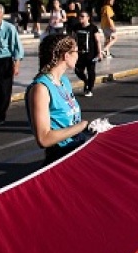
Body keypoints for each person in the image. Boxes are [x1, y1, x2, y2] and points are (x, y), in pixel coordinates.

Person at [26, 35, 92, 164]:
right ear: (66, 56)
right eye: (77, 52)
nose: (78, 56)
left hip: (77, 148)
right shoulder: (41, 89)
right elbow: (44, 139)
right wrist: (82, 126)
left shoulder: (64, 81)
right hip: (60, 156)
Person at [69, 10, 103, 97]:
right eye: (80, 16)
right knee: (77, 70)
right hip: (79, 54)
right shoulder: (76, 27)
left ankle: (89, 89)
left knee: (91, 71)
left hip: (91, 53)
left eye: (83, 16)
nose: (80, 18)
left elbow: (98, 41)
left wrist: (100, 53)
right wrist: (71, 50)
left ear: (88, 18)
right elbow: (72, 39)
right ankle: (85, 81)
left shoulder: (93, 28)